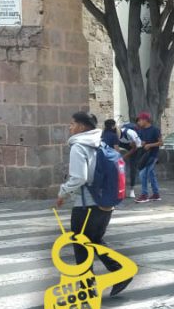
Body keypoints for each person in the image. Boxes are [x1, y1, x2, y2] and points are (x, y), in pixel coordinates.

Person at [55, 112, 132, 297]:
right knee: (95, 241)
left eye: (72, 123)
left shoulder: (79, 147)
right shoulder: (100, 142)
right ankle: (120, 273)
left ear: (82, 127)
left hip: (86, 206)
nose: (70, 127)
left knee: (81, 246)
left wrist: (63, 192)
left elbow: (79, 178)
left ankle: (87, 289)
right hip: (104, 204)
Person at [134, 112, 163, 203]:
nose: (139, 122)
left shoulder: (155, 130)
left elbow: (161, 143)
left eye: (140, 120)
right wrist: (142, 143)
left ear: (145, 120)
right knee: (151, 174)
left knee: (143, 174)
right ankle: (156, 194)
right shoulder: (141, 131)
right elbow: (142, 142)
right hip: (145, 155)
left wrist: (150, 145)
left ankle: (144, 195)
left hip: (153, 155)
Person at [118, 122, 142, 198]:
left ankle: (132, 189)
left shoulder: (130, 133)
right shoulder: (114, 135)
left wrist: (124, 157)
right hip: (124, 143)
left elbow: (135, 148)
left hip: (135, 146)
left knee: (133, 167)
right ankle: (121, 189)